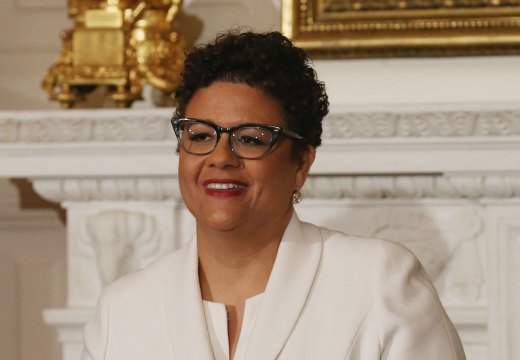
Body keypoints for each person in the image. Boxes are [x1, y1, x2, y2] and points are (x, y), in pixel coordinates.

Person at [82, 31, 466, 360]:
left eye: (250, 139)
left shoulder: (379, 281)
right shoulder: (123, 309)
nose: (220, 158)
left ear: (301, 162)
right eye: (199, 135)